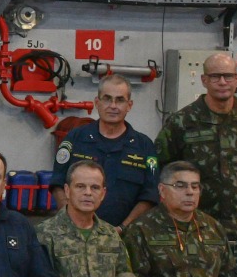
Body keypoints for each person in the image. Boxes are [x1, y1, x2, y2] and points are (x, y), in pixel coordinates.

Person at [155, 53, 237, 240]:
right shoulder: (182, 121)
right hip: (196, 222)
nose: (222, 82)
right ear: (204, 80)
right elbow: (163, 166)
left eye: (228, 76)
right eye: (215, 76)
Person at [50, 74, 158, 229]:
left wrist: (122, 228)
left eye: (120, 100)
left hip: (125, 236)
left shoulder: (145, 146)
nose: (113, 106)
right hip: (74, 233)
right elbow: (58, 183)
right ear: (97, 103)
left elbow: (150, 195)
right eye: (107, 99)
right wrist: (72, 222)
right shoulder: (75, 138)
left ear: (129, 105)